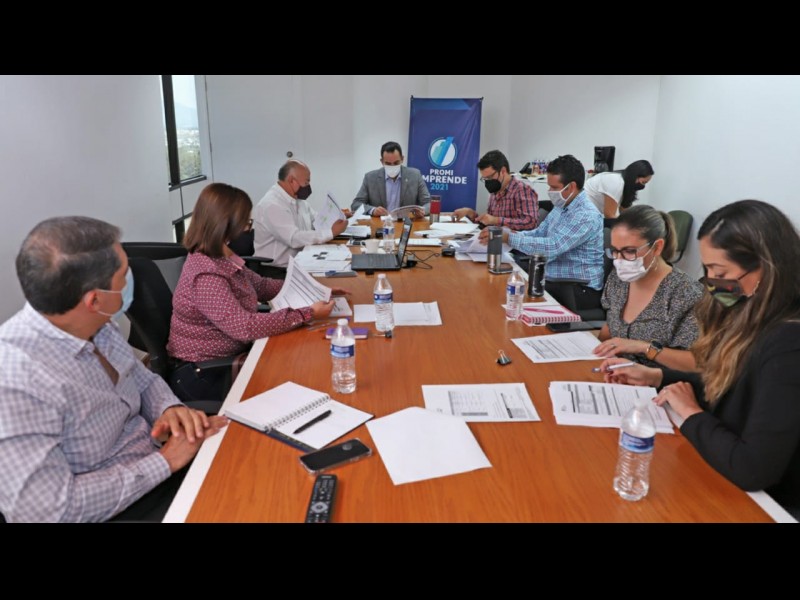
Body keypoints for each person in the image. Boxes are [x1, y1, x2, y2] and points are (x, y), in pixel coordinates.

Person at [0, 216, 227, 522]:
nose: (130, 279)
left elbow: (142, 379)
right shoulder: (15, 381)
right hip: (117, 508)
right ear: (94, 300)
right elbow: (51, 510)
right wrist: (165, 462)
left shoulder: (96, 323)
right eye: (124, 274)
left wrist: (169, 408)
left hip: (155, 464)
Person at [601, 200, 800, 519]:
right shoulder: (749, 311)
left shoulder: (788, 343)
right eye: (706, 271)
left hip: (764, 503)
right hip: (719, 461)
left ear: (766, 268)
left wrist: (691, 412)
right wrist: (657, 377)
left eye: (719, 272)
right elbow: (731, 383)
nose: (711, 283)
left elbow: (752, 469)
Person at [168, 183, 347, 402]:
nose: (247, 228)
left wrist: (315, 289)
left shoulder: (221, 255)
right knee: (302, 376)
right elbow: (245, 327)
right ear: (225, 223)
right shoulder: (205, 274)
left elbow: (261, 286)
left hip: (235, 356)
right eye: (245, 221)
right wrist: (307, 313)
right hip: (206, 374)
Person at [482, 154, 604, 309]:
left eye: (554, 187)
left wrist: (509, 238)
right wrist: (505, 234)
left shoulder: (586, 215)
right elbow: (539, 233)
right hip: (551, 278)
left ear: (571, 187)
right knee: (499, 285)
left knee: (509, 297)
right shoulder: (561, 206)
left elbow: (553, 246)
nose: (550, 191)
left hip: (577, 289)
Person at [592, 205, 702, 370]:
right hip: (613, 370)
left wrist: (643, 347)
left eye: (629, 251)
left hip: (657, 381)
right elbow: (610, 327)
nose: (619, 260)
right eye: (615, 251)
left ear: (657, 247)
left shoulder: (686, 293)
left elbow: (696, 363)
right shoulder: (619, 278)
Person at [253, 160, 348, 267]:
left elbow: (316, 220)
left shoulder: (299, 201)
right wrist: (331, 232)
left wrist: (338, 216)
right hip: (277, 269)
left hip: (301, 261)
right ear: (291, 180)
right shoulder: (272, 205)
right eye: (306, 182)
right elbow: (294, 238)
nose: (308, 187)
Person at [454, 150, 539, 230]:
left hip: (512, 240)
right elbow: (489, 223)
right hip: (494, 238)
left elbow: (531, 223)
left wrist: (496, 220)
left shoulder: (523, 190)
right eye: (485, 178)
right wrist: (471, 214)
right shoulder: (494, 191)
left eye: (490, 177)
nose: (488, 181)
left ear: (503, 171)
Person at [350, 141, 431, 218]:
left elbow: (429, 203)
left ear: (402, 159)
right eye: (388, 163)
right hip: (380, 224)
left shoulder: (415, 175)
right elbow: (356, 204)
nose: (392, 166)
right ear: (382, 161)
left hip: (406, 224)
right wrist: (373, 210)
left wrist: (422, 211)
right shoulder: (370, 178)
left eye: (396, 163)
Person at [584, 159, 654, 218]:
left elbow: (625, 211)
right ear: (635, 176)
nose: (643, 186)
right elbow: (609, 215)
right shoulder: (615, 181)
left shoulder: (623, 184)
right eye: (643, 182)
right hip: (584, 214)